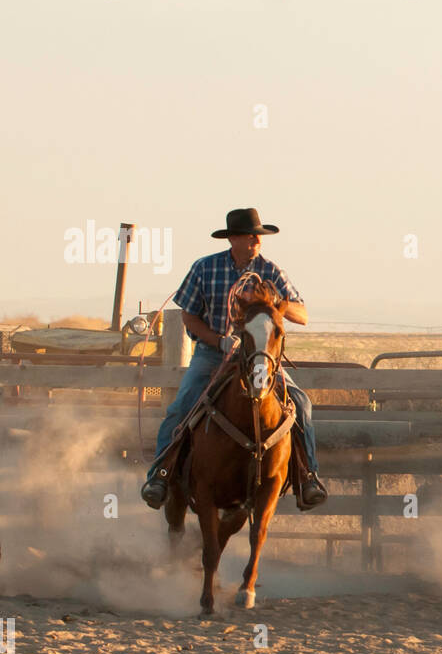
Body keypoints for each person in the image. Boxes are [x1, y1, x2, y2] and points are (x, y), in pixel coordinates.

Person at [140, 208, 327, 510]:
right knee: (182, 406)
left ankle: (308, 476)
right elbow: (189, 316)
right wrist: (219, 340)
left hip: (260, 358)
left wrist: (278, 304)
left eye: (258, 236)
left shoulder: (271, 272)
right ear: (234, 239)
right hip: (213, 354)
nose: (257, 239)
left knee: (300, 403)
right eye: (251, 235)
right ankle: (160, 474)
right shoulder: (205, 268)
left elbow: (302, 315)